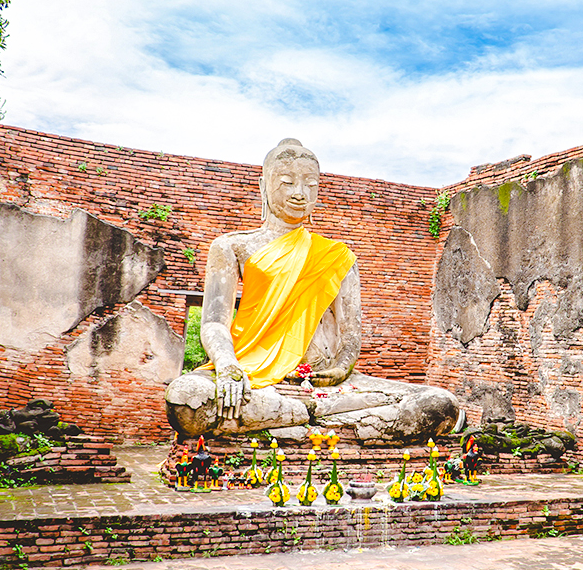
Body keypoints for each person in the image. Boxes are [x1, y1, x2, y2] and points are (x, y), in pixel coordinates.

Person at [165, 139, 458, 444]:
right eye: (288, 182)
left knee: (439, 404)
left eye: (310, 185)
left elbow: (350, 336)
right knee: (186, 400)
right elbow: (213, 322)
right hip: (254, 377)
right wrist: (227, 366)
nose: (299, 193)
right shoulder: (232, 246)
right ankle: (327, 422)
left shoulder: (337, 255)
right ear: (264, 185)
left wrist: (342, 369)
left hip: (328, 383)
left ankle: (295, 418)